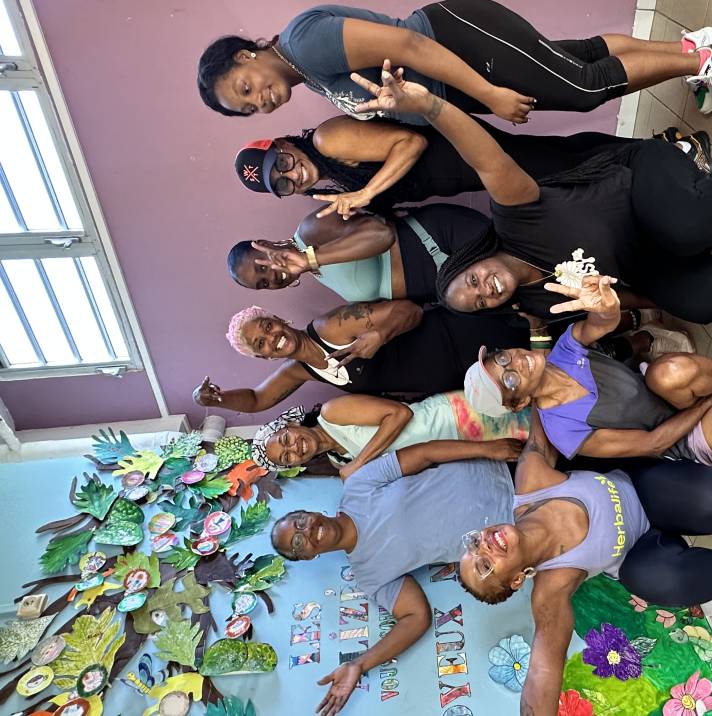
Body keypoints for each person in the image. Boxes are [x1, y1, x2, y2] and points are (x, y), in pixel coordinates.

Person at [348, 60, 712, 323]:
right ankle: (707, 227)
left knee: (684, 227)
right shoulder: (540, 302)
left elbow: (486, 159)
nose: (487, 289)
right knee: (711, 300)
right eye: (482, 302)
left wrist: (430, 106)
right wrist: (612, 309)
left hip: (638, 178)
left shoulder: (513, 218)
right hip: (646, 255)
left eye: (473, 282)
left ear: (471, 261)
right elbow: (617, 303)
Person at [457, 411, 712, 715]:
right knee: (667, 583)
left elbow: (543, 421)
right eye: (484, 566)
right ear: (517, 580)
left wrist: (535, 363)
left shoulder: (531, 483)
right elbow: (541, 673)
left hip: (642, 488)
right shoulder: (549, 592)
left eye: (473, 544)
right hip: (643, 552)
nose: (483, 546)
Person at [269, 436, 521, 716]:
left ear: (311, 512)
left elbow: (424, 453)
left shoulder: (357, 486)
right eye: (297, 542)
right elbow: (416, 617)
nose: (306, 530)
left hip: (503, 469)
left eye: (300, 522)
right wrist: (359, 664)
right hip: (513, 532)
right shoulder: (369, 575)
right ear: (307, 557)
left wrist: (487, 448)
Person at [197, 0, 712, 123]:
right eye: (247, 110)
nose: (259, 102)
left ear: (247, 55)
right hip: (458, 67)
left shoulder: (304, 46)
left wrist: (487, 94)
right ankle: (688, 48)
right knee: (578, 58)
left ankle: (708, 62)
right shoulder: (305, 73)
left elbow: (411, 47)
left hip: (457, 41)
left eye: (245, 88)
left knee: (583, 89)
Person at [464, 275, 712, 465]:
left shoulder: (564, 351)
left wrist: (606, 306)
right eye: (510, 379)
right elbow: (654, 443)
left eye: (503, 358)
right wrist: (709, 404)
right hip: (682, 438)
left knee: (669, 373)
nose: (515, 362)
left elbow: (601, 323)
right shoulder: (563, 432)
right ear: (520, 403)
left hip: (667, 393)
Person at [230, 117, 712, 219]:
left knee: (560, 167)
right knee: (561, 156)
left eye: (283, 163)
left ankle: (678, 153)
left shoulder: (326, 140)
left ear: (286, 143)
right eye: (282, 184)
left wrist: (365, 194)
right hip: (464, 168)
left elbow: (410, 142)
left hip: (461, 149)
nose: (292, 175)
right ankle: (661, 146)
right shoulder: (329, 184)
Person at [192, 300, 529, 413]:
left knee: (536, 344)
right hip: (463, 376)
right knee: (535, 378)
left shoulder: (331, 326)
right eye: (261, 344)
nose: (272, 338)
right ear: (264, 358)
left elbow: (410, 311)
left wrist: (379, 336)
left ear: (278, 319)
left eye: (268, 326)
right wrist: (215, 399)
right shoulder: (300, 370)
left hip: (461, 337)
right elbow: (256, 400)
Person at [227, 201, 490, 304]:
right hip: (450, 283)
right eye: (264, 283)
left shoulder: (310, 230)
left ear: (266, 243)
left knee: (512, 257)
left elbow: (382, 234)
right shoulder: (317, 275)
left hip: (441, 241)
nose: (272, 277)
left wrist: (310, 258)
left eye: (262, 267)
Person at [248, 392, 531, 475]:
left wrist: (360, 463)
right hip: (463, 451)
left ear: (291, 424)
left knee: (537, 411)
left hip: (457, 416)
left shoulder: (332, 413)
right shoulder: (339, 462)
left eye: (286, 440)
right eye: (287, 457)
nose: (294, 448)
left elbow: (399, 414)